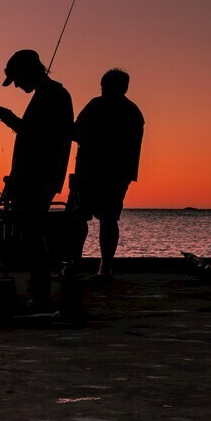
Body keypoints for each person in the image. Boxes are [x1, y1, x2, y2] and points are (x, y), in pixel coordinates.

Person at [0, 49, 73, 309]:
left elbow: (41, 137)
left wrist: (12, 121)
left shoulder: (53, 95)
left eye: (16, 79)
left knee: (32, 233)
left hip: (38, 177)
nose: (16, 85)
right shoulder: (50, 94)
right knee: (31, 232)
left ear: (27, 71)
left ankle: (40, 294)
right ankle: (39, 291)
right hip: (34, 176)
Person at [70, 68, 144, 282]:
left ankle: (77, 262)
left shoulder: (96, 106)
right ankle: (105, 267)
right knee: (108, 219)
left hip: (91, 172)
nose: (102, 90)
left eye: (105, 87)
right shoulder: (134, 112)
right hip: (118, 175)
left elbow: (75, 132)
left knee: (80, 216)